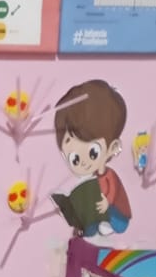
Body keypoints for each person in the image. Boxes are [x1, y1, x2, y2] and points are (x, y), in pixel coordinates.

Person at [54, 79, 131, 237]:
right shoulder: (90, 179)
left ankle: (103, 225)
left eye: (93, 153)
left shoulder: (108, 175)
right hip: (97, 216)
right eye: (74, 159)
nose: (82, 162)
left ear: (112, 148)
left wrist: (107, 203)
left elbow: (113, 192)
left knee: (105, 217)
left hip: (117, 215)